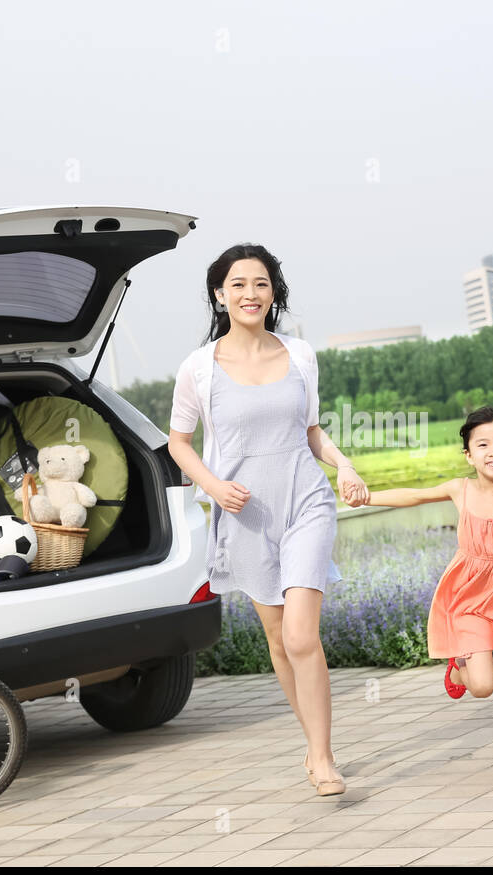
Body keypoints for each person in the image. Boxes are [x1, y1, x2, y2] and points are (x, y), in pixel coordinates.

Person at [167, 243, 364, 797]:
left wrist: (344, 467)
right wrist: (211, 487)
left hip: (305, 501)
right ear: (219, 294)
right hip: (245, 514)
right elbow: (178, 443)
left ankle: (323, 758)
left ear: (273, 291)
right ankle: (312, 742)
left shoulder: (299, 354)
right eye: (238, 284)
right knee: (278, 642)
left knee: (302, 636)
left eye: (260, 283)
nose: (250, 293)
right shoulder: (199, 368)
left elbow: (311, 430)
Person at [346, 407, 493, 789]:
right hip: (469, 601)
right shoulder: (459, 489)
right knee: (483, 687)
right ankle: (459, 664)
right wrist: (367, 497)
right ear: (468, 454)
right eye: (482, 444)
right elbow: (414, 497)